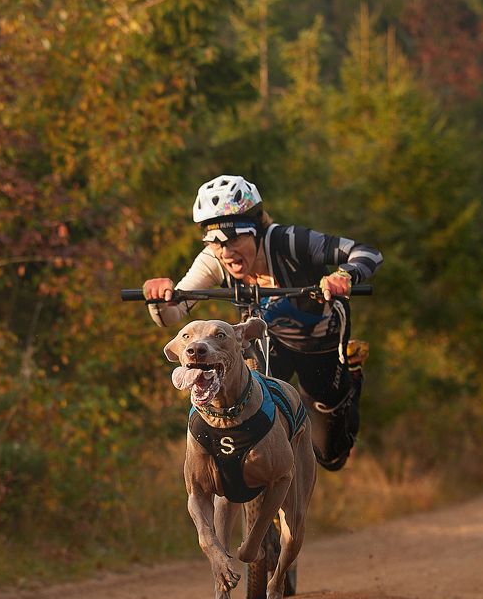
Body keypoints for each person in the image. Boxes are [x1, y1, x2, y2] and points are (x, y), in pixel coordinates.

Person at [143, 175, 383, 471]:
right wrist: (159, 299)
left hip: (318, 345)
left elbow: (368, 253)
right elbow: (173, 314)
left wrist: (344, 275)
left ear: (257, 229)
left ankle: (353, 372)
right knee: (246, 403)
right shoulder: (213, 259)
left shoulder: (291, 241)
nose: (225, 251)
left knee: (330, 455)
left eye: (235, 238)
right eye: (214, 241)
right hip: (267, 343)